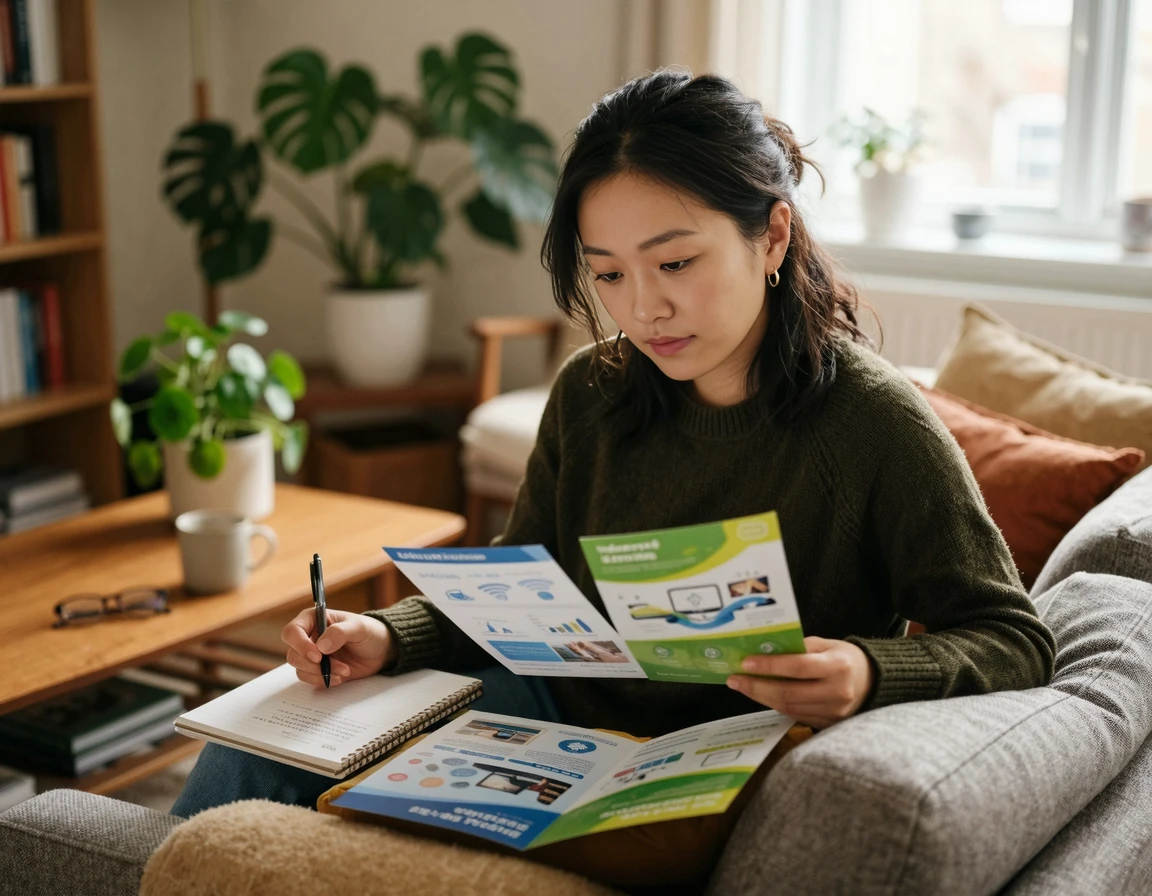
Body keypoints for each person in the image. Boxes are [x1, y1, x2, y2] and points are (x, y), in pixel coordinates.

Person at [172, 68, 1056, 885]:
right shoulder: (590, 393)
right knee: (268, 735)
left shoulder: (871, 422)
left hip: (721, 761)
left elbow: (1015, 637)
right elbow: (517, 587)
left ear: (771, 233)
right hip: (552, 718)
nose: (644, 307)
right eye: (609, 274)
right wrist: (386, 633)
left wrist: (868, 671)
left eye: (676, 263)